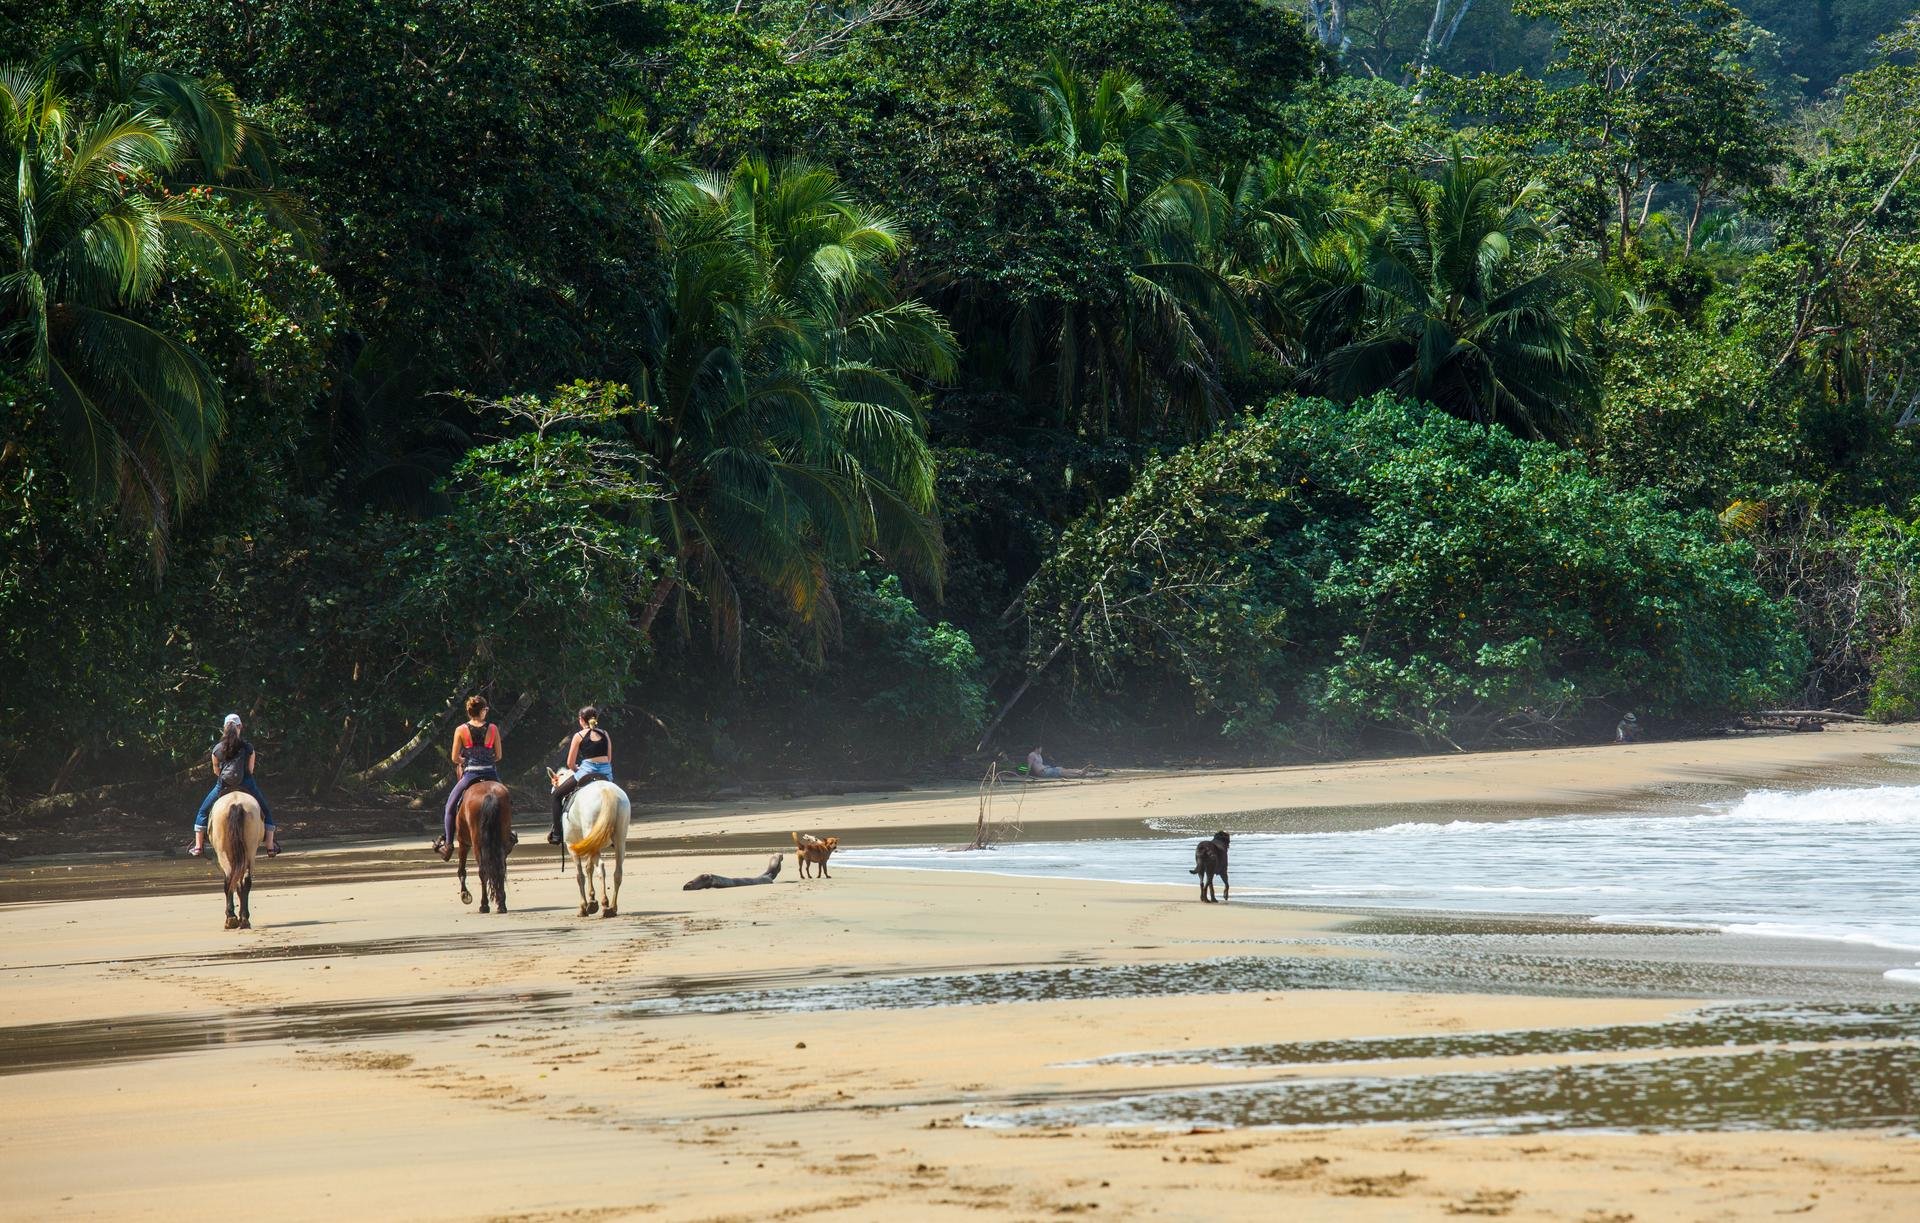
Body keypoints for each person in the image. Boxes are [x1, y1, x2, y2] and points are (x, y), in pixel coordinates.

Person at [191, 713, 277, 857]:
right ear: (240, 727)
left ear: (224, 727)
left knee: (202, 812)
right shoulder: (248, 747)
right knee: (266, 811)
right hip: (246, 783)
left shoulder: (217, 749)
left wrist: (226, 779)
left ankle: (198, 846)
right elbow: (250, 770)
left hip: (224, 784)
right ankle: (270, 846)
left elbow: (216, 770)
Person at [435, 695, 506, 860]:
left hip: (470, 774)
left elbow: (454, 758)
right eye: (486, 709)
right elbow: (499, 756)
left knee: (450, 807)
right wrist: (487, 760)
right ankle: (508, 834)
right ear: (481, 711)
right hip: (490, 773)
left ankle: (448, 845)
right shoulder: (493, 728)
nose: (487, 712)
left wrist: (465, 760)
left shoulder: (460, 730)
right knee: (506, 801)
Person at [548, 705, 614, 844]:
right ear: (595, 719)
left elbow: (570, 764)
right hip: (606, 773)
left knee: (556, 795)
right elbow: (609, 759)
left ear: (581, 720)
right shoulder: (605, 734)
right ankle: (614, 833)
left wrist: (578, 769)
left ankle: (557, 834)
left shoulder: (578, 736)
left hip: (587, 771)